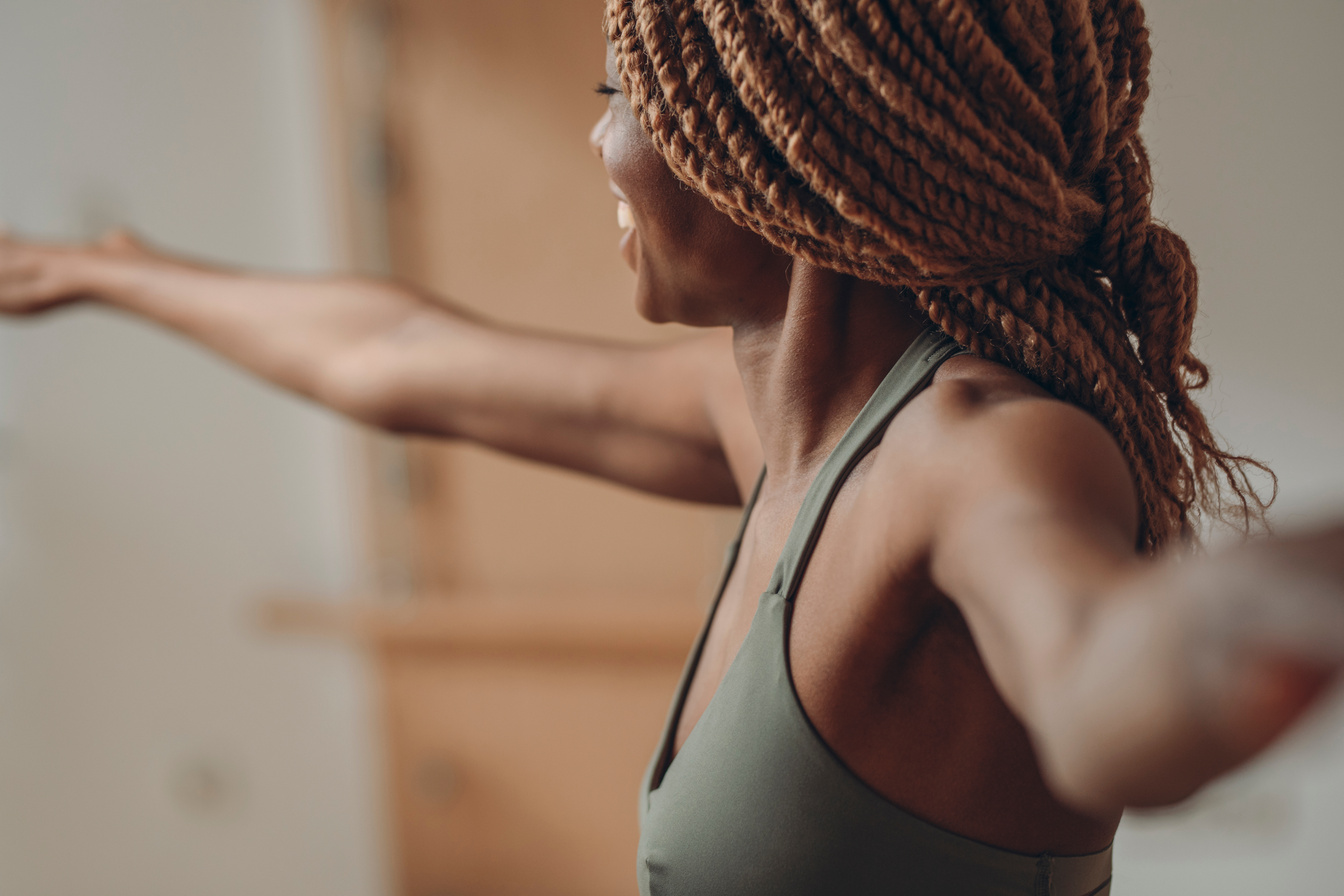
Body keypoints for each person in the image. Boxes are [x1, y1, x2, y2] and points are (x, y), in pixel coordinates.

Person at [2, 0, 1342, 893]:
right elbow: (395, 360)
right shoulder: (767, 413)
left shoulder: (975, 450)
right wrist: (106, 272)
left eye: (623, 95)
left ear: (782, 150)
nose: (598, 138)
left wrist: (1269, 608)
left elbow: (1105, 684)